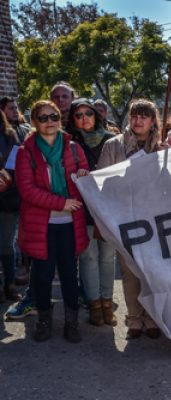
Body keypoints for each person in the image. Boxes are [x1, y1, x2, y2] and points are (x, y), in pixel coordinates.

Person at [15, 100, 90, 343]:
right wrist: (61, 203)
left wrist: (83, 178)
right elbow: (26, 190)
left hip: (70, 223)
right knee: (43, 274)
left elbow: (86, 184)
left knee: (70, 273)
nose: (50, 122)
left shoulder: (75, 149)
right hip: (42, 224)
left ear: (60, 119)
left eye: (54, 116)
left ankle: (72, 324)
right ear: (34, 122)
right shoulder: (25, 152)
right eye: (43, 117)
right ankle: (44, 321)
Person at [97, 99, 162, 339]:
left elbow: (170, 184)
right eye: (134, 116)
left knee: (151, 270)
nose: (138, 120)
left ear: (153, 120)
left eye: (144, 116)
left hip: (154, 217)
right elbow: (102, 180)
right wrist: (127, 172)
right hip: (124, 216)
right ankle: (134, 318)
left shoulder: (162, 147)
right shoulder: (112, 146)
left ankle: (151, 317)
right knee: (129, 270)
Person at [65, 98, 117, 327]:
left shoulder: (111, 141)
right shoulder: (68, 143)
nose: (84, 117)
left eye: (88, 113)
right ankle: (94, 306)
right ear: (72, 119)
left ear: (97, 115)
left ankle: (108, 305)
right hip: (81, 210)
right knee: (88, 258)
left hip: (107, 210)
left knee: (107, 258)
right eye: (78, 114)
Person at [0, 110, 21, 303]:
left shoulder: (10, 135)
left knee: (6, 243)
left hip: (7, 197)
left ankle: (10, 284)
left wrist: (6, 177)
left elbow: (18, 162)